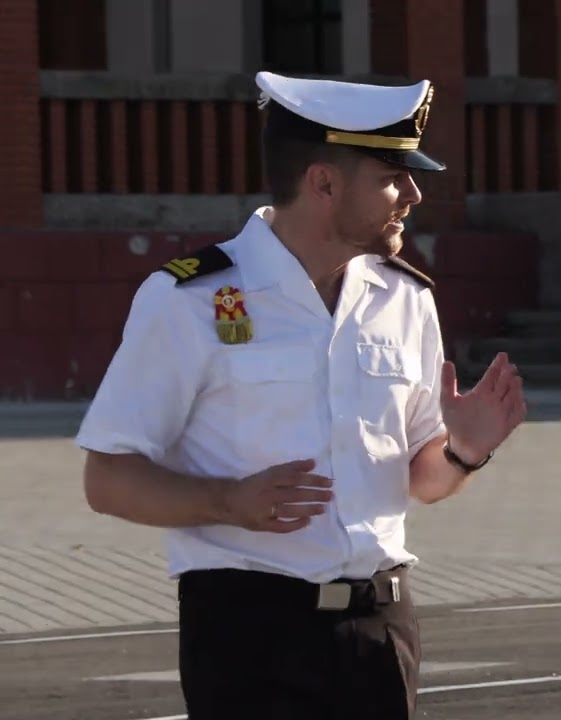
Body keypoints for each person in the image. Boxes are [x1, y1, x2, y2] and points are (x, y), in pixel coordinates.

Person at [75, 71, 526, 719]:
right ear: (323, 183)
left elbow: (421, 479)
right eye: (391, 178)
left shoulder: (405, 299)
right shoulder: (192, 300)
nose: (413, 194)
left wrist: (464, 451)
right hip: (251, 633)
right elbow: (107, 479)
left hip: (380, 627)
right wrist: (226, 501)